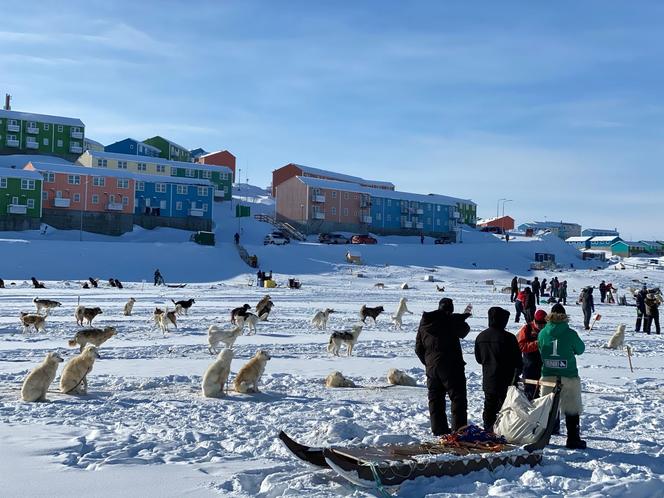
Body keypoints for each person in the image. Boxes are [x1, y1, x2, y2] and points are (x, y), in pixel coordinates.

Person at [415, 298, 472, 436]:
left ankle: (438, 429)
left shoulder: (425, 322)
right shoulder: (450, 321)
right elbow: (464, 331)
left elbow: (418, 348)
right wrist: (460, 319)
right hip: (452, 366)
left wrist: (428, 362)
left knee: (435, 399)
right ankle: (459, 431)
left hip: (432, 367)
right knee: (457, 398)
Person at [538, 303, 587, 449]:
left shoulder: (542, 333)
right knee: (572, 409)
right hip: (569, 376)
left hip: (548, 376)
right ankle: (573, 439)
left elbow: (541, 349)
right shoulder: (570, 333)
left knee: (547, 408)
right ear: (564, 316)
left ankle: (543, 437)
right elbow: (580, 349)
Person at [474, 306, 522, 431]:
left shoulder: (481, 337)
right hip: (507, 378)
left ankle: (488, 429)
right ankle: (504, 429)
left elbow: (479, 359)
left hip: (489, 377)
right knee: (505, 406)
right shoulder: (509, 338)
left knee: (489, 405)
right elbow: (518, 360)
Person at [517, 309, 547, 400]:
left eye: (543, 324)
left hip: (545, 366)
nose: (541, 327)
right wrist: (536, 344)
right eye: (539, 324)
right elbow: (521, 346)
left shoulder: (548, 330)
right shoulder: (526, 329)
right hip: (530, 366)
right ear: (535, 321)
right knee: (531, 394)